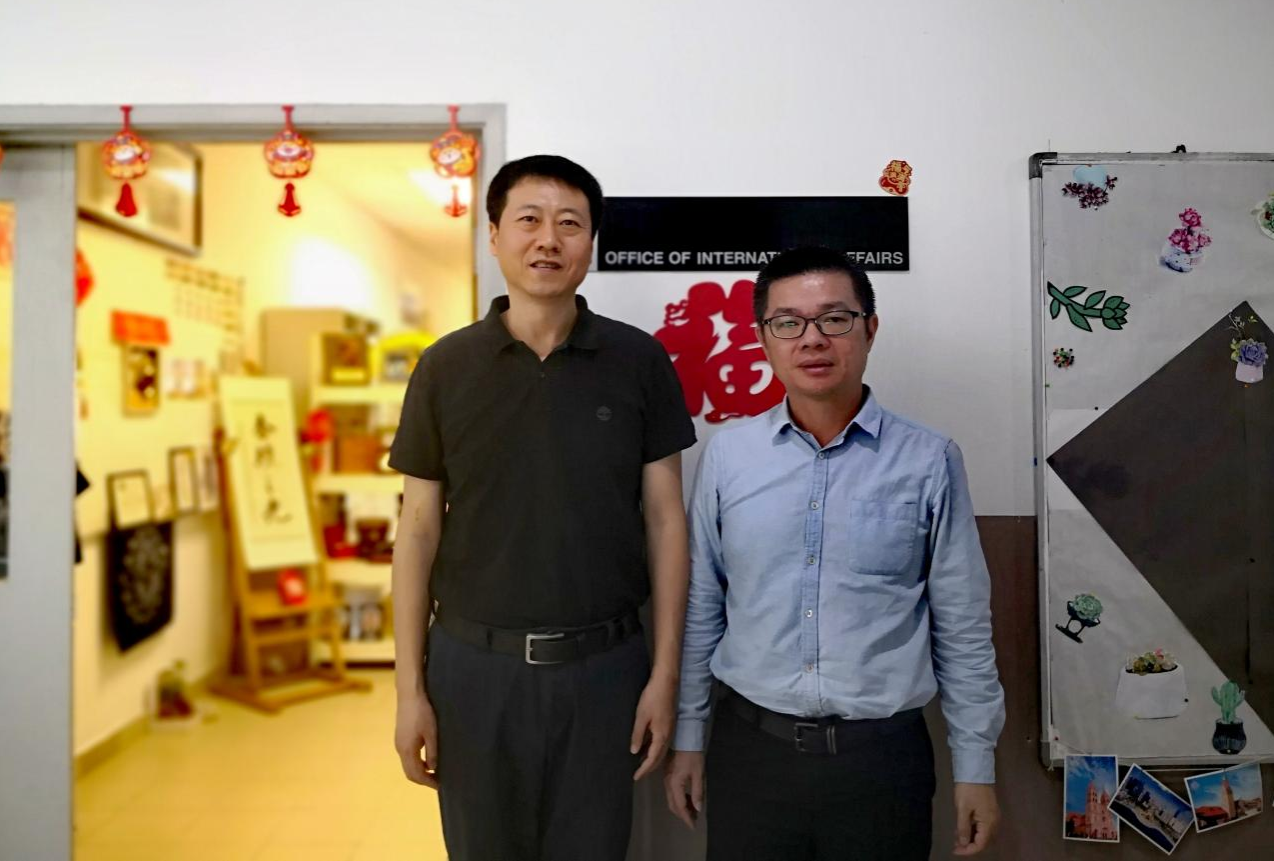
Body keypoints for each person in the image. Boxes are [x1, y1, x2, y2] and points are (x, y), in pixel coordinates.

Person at [388, 155, 696, 861]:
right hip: (473, 669)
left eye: (570, 224)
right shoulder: (444, 367)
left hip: (606, 668)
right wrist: (410, 691)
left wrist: (664, 676)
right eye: (528, 220)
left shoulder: (638, 360)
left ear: (592, 242)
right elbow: (418, 530)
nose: (548, 240)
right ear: (494, 236)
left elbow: (665, 521)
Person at [664, 246, 1005, 859]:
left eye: (834, 318)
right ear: (763, 338)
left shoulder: (929, 460)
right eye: (788, 322)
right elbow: (703, 610)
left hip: (882, 764)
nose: (812, 339)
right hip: (751, 756)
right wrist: (689, 736)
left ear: (870, 329)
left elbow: (962, 624)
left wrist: (976, 766)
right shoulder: (728, 458)